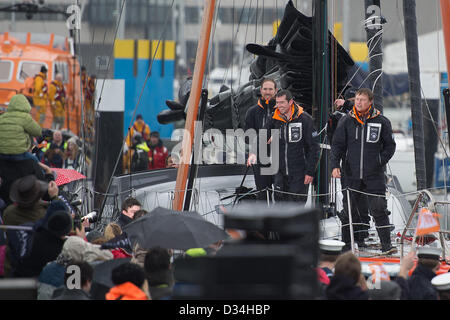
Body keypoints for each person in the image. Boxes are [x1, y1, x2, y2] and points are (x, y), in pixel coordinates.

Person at [331, 88, 396, 253]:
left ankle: (386, 246)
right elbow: (337, 145)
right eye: (357, 99)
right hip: (351, 174)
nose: (358, 102)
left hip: (374, 175)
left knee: (379, 209)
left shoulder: (382, 121)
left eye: (362, 100)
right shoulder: (346, 120)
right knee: (349, 212)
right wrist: (335, 165)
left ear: (370, 101)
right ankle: (346, 247)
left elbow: (390, 146)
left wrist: (379, 161)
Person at [264, 89, 320, 202]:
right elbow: (263, 138)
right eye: (277, 102)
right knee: (280, 211)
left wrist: (310, 172)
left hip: (299, 174)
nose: (279, 106)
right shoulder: (273, 119)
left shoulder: (305, 119)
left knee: (296, 212)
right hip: (280, 173)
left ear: (290, 102)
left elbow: (314, 148)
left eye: (282, 102)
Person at [245, 78, 277, 201]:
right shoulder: (252, 112)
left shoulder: (281, 110)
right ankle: (264, 219)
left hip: (279, 157)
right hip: (260, 157)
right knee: (263, 193)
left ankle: (280, 218)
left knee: (280, 192)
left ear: (276, 90)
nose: (267, 92)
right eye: (265, 89)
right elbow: (247, 136)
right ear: (261, 90)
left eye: (270, 89)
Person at [0, 94, 42, 161]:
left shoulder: (2, 117)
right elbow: (38, 132)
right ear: (26, 105)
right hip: (18, 154)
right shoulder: (25, 117)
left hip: (2, 153)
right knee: (35, 160)